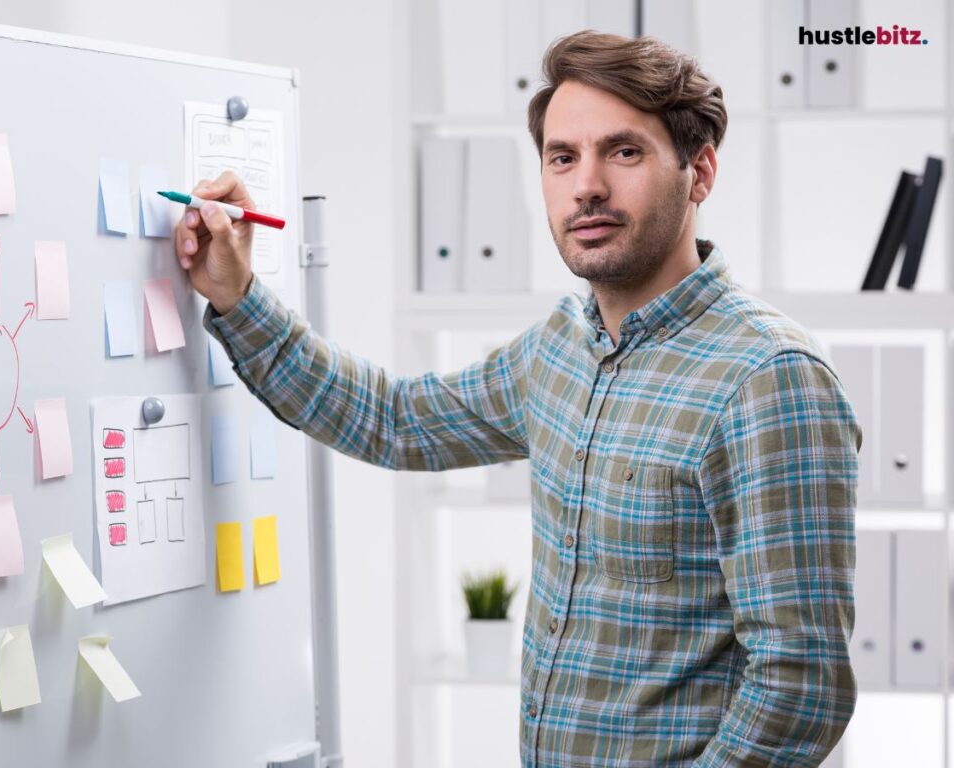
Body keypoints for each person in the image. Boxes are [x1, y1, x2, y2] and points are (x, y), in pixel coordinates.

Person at [176, 31, 860, 768]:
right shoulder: (561, 345)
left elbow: (800, 688)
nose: (586, 185)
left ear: (700, 172)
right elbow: (396, 421)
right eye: (562, 157)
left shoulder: (770, 378)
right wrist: (238, 296)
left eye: (623, 152)